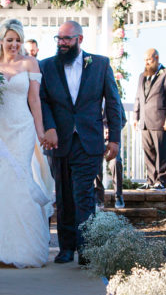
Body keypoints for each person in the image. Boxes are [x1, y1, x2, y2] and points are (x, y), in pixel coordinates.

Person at [0, 19, 53, 267]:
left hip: (22, 128)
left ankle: (22, 248)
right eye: (10, 40)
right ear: (1, 40)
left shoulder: (30, 63)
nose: (14, 44)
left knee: (19, 178)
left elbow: (35, 101)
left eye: (18, 40)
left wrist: (40, 133)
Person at [39, 20, 123, 265]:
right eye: (59, 38)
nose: (62, 43)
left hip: (89, 141)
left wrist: (115, 139)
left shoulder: (100, 64)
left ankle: (86, 249)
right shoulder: (46, 66)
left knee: (84, 195)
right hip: (59, 141)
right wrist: (50, 128)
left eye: (67, 38)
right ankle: (66, 248)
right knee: (64, 196)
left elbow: (113, 103)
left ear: (80, 39)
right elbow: (42, 101)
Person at [133, 48, 166, 189]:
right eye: (145, 60)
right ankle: (150, 180)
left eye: (149, 59)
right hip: (145, 121)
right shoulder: (142, 76)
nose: (146, 62)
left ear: (156, 57)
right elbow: (138, 98)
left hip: (161, 120)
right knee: (149, 152)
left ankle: (161, 181)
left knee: (162, 152)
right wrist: (136, 116)